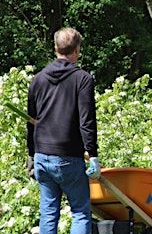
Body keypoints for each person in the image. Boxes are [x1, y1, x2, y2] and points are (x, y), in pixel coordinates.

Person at [26, 27, 101, 234]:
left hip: (42, 155)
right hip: (69, 157)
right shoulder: (83, 79)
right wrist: (93, 155)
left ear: (56, 48)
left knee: (49, 213)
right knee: (80, 212)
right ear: (77, 50)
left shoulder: (38, 80)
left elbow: (30, 121)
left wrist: (31, 155)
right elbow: (87, 121)